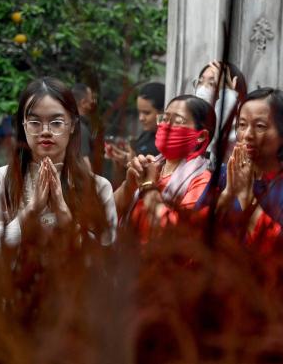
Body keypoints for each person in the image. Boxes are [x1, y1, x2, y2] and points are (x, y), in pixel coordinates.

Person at [0, 77, 117, 265]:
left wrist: (67, 219)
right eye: (35, 122)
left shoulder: (99, 188)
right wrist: (29, 212)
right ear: (23, 125)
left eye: (56, 122)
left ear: (73, 125)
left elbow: (107, 266)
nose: (45, 131)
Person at [211, 88, 283, 241]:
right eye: (242, 124)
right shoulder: (224, 174)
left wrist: (246, 198)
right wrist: (227, 194)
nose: (247, 135)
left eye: (260, 126)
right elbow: (191, 232)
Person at [113, 95, 215, 240]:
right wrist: (129, 185)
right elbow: (105, 215)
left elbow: (175, 235)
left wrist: (148, 187)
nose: (166, 126)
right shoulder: (152, 166)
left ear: (201, 137)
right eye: (165, 119)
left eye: (178, 121)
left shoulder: (202, 182)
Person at [192, 60, 247, 166]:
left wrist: (227, 93)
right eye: (200, 82)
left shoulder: (239, 125)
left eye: (212, 84)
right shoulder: (192, 119)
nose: (202, 89)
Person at [105, 82, 164, 165]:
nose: (141, 118)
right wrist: (122, 157)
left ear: (162, 112)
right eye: (139, 112)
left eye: (146, 113)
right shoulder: (146, 134)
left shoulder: (165, 145)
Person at [71, 83, 96, 170]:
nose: (93, 101)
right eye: (91, 98)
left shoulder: (69, 124)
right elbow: (84, 162)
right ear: (83, 102)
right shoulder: (80, 128)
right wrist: (95, 183)